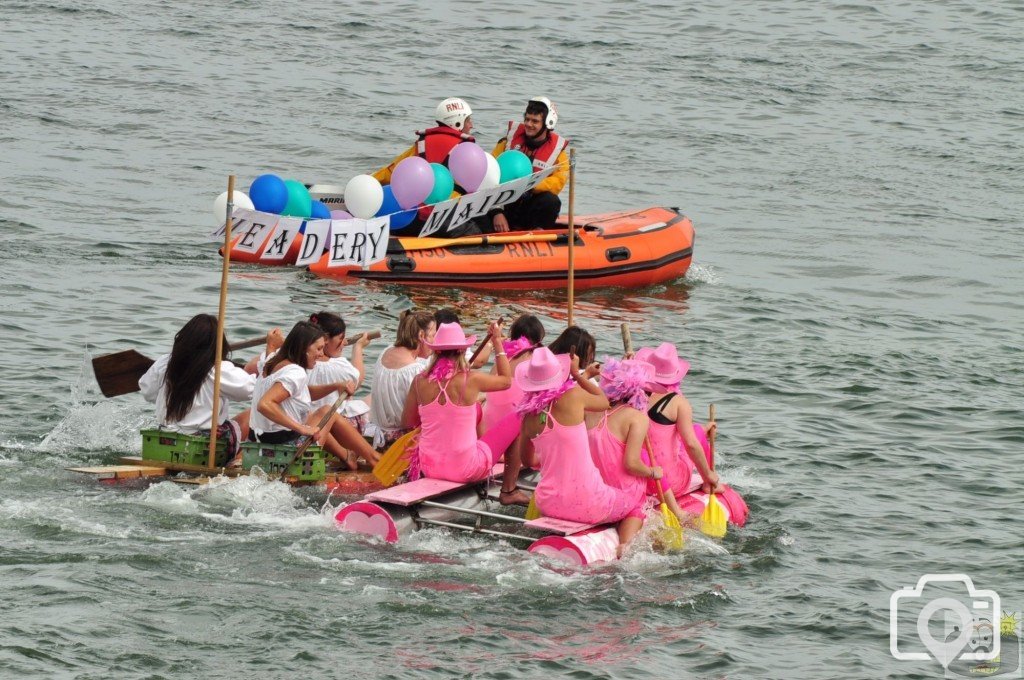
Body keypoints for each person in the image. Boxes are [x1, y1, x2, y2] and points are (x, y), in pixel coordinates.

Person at [519, 346, 653, 556]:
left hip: (548, 502)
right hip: (589, 502)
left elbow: (527, 460)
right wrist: (577, 375)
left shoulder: (528, 417)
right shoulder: (573, 396)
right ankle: (624, 549)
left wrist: (551, 455)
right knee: (636, 502)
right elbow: (604, 401)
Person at [401, 321, 529, 505]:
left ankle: (478, 449)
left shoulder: (418, 381)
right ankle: (509, 490)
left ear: (436, 351)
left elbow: (407, 421)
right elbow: (506, 381)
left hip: (429, 467)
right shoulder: (472, 379)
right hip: (466, 469)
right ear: (462, 351)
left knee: (475, 409)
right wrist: (498, 342)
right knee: (519, 417)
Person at [586, 358, 689, 552]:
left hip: (594, 490)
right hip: (623, 495)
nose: (649, 397)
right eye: (648, 392)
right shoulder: (637, 418)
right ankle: (625, 544)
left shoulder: (593, 411)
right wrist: (652, 472)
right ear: (639, 391)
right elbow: (631, 464)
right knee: (639, 505)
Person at [250, 321, 379, 470]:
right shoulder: (295, 372)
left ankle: (348, 456)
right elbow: (265, 405)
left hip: (261, 443)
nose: (321, 354)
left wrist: (336, 386)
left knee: (321, 412)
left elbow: (302, 392)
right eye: (318, 348)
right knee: (327, 413)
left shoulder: (270, 362)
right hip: (287, 449)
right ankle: (374, 458)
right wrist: (302, 429)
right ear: (304, 347)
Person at [139, 313, 256, 465]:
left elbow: (147, 391)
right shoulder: (218, 370)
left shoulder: (165, 362)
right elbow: (252, 390)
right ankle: (236, 462)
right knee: (255, 412)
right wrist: (263, 363)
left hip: (165, 439)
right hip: (202, 446)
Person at [636, 343, 722, 497]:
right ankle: (708, 482)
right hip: (668, 482)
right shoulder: (678, 402)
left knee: (695, 431)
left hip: (639, 478)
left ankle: (703, 430)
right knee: (694, 432)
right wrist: (708, 474)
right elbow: (690, 444)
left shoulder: (632, 394)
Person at [489, 97, 569, 232]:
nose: (528, 124)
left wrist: (531, 185)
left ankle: (538, 234)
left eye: (535, 121)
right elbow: (489, 173)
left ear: (547, 123)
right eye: (527, 119)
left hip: (530, 205)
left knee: (551, 201)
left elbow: (558, 182)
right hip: (504, 203)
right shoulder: (506, 144)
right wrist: (496, 212)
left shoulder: (558, 154)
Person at [367, 310, 436, 448]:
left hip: (378, 435)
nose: (435, 341)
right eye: (433, 335)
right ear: (421, 335)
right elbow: (414, 420)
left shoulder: (385, 352)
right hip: (400, 442)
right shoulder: (415, 370)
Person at [372, 98, 475, 185]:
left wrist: (371, 180)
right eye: (468, 120)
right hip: (453, 201)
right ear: (457, 122)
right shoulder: (465, 149)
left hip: (420, 200)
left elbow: (393, 171)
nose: (471, 125)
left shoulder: (422, 143)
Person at [308, 311, 373, 434]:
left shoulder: (293, 361)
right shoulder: (337, 366)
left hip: (308, 422)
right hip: (333, 426)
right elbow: (357, 381)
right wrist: (358, 348)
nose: (345, 342)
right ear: (325, 339)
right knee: (373, 398)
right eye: (341, 338)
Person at [480, 313, 545, 432]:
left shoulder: (502, 358)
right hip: (511, 429)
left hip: (487, 424)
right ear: (538, 340)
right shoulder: (535, 359)